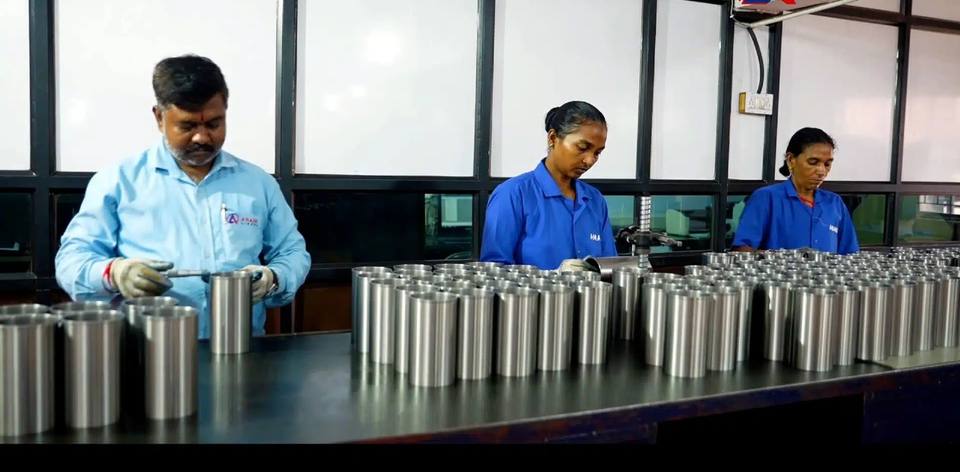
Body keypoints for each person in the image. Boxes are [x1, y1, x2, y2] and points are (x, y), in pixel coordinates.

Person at [55, 54, 311, 338]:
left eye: (213, 124)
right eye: (188, 126)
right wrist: (114, 273)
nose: (202, 137)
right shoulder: (118, 182)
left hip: (240, 348)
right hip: (149, 350)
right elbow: (71, 261)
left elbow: (292, 252)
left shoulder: (258, 184)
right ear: (159, 117)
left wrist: (274, 278)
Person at [480, 101, 617, 270]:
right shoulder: (513, 195)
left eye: (597, 153)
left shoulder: (595, 200)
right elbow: (493, 270)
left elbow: (609, 267)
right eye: (582, 147)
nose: (590, 160)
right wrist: (553, 277)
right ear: (553, 138)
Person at [732, 127, 859, 254]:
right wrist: (785, 258)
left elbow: (850, 253)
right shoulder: (766, 198)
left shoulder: (834, 203)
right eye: (813, 162)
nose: (821, 171)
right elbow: (741, 250)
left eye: (827, 164)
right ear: (791, 160)